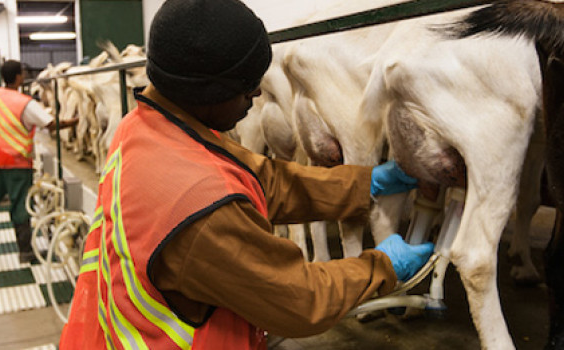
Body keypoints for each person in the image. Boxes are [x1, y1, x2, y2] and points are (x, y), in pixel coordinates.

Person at [59, 0, 434, 349]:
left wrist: (361, 184)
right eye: (244, 87)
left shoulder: (143, 128)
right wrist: (382, 267)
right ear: (208, 92)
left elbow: (263, 180)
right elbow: (300, 299)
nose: (257, 92)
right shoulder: (201, 210)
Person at [0, 60, 77, 262]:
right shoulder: (23, 102)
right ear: (19, 77)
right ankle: (25, 252)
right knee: (20, 207)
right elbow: (49, 124)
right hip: (16, 163)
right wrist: (75, 122)